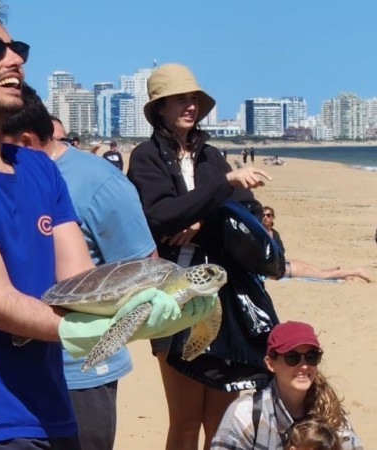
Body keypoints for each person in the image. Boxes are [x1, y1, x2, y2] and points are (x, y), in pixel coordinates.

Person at [0, 4, 213, 449]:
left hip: (55, 411)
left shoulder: (40, 169)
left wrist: (144, 303)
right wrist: (94, 331)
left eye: (17, 49)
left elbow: (81, 282)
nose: (15, 59)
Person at [2, 86, 201, 450]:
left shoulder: (101, 184)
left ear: (27, 140)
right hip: (9, 365)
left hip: (81, 371)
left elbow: (146, 271)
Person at [127, 62, 274, 450]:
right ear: (160, 107)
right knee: (186, 420)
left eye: (194, 99)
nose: (190, 106)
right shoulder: (145, 157)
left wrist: (202, 219)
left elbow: (251, 209)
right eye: (180, 100)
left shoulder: (212, 156)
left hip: (221, 294)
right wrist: (220, 189)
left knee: (220, 421)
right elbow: (159, 215)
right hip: (173, 291)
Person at [210, 321, 363, 450]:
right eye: (292, 357)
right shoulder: (246, 414)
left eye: (311, 357)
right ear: (270, 364)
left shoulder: (332, 414)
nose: (304, 366)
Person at [262, 206, 372, 283]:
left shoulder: (274, 233)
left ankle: (356, 272)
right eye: (264, 215)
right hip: (288, 264)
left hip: (289, 268)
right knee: (321, 272)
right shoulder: (263, 233)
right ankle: (344, 274)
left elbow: (279, 251)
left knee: (323, 275)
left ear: (273, 218)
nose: (266, 217)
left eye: (268, 215)